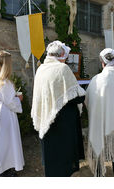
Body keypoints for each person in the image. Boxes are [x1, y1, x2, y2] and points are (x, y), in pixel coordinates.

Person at [31, 40, 86, 177]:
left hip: (47, 118)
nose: (65, 60)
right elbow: (77, 96)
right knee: (63, 159)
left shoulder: (40, 69)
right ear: (61, 55)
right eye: (65, 57)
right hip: (63, 122)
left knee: (51, 159)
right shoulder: (62, 69)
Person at [85, 48, 114, 177]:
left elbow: (88, 100)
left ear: (102, 62)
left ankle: (99, 173)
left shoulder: (97, 79)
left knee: (99, 146)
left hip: (101, 122)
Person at [0, 50, 24, 177]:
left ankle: (1, 167)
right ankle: (0, 171)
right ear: (6, 64)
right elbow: (10, 101)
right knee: (4, 141)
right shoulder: (3, 82)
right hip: (4, 113)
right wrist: (19, 99)